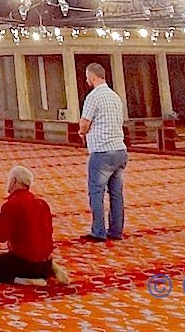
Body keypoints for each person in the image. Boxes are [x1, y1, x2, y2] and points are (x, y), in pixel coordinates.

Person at [0, 165, 70, 286]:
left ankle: (22, 279)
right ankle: (50, 269)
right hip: (45, 263)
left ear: (13, 181)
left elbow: (1, 236)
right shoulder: (42, 203)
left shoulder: (12, 205)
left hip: (25, 264)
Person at [79, 63, 127, 242]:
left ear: (92, 77)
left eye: (87, 77)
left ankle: (98, 232)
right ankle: (116, 231)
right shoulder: (115, 97)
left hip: (102, 152)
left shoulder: (93, 97)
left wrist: (82, 132)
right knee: (116, 194)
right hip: (120, 150)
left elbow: (84, 124)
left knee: (96, 193)